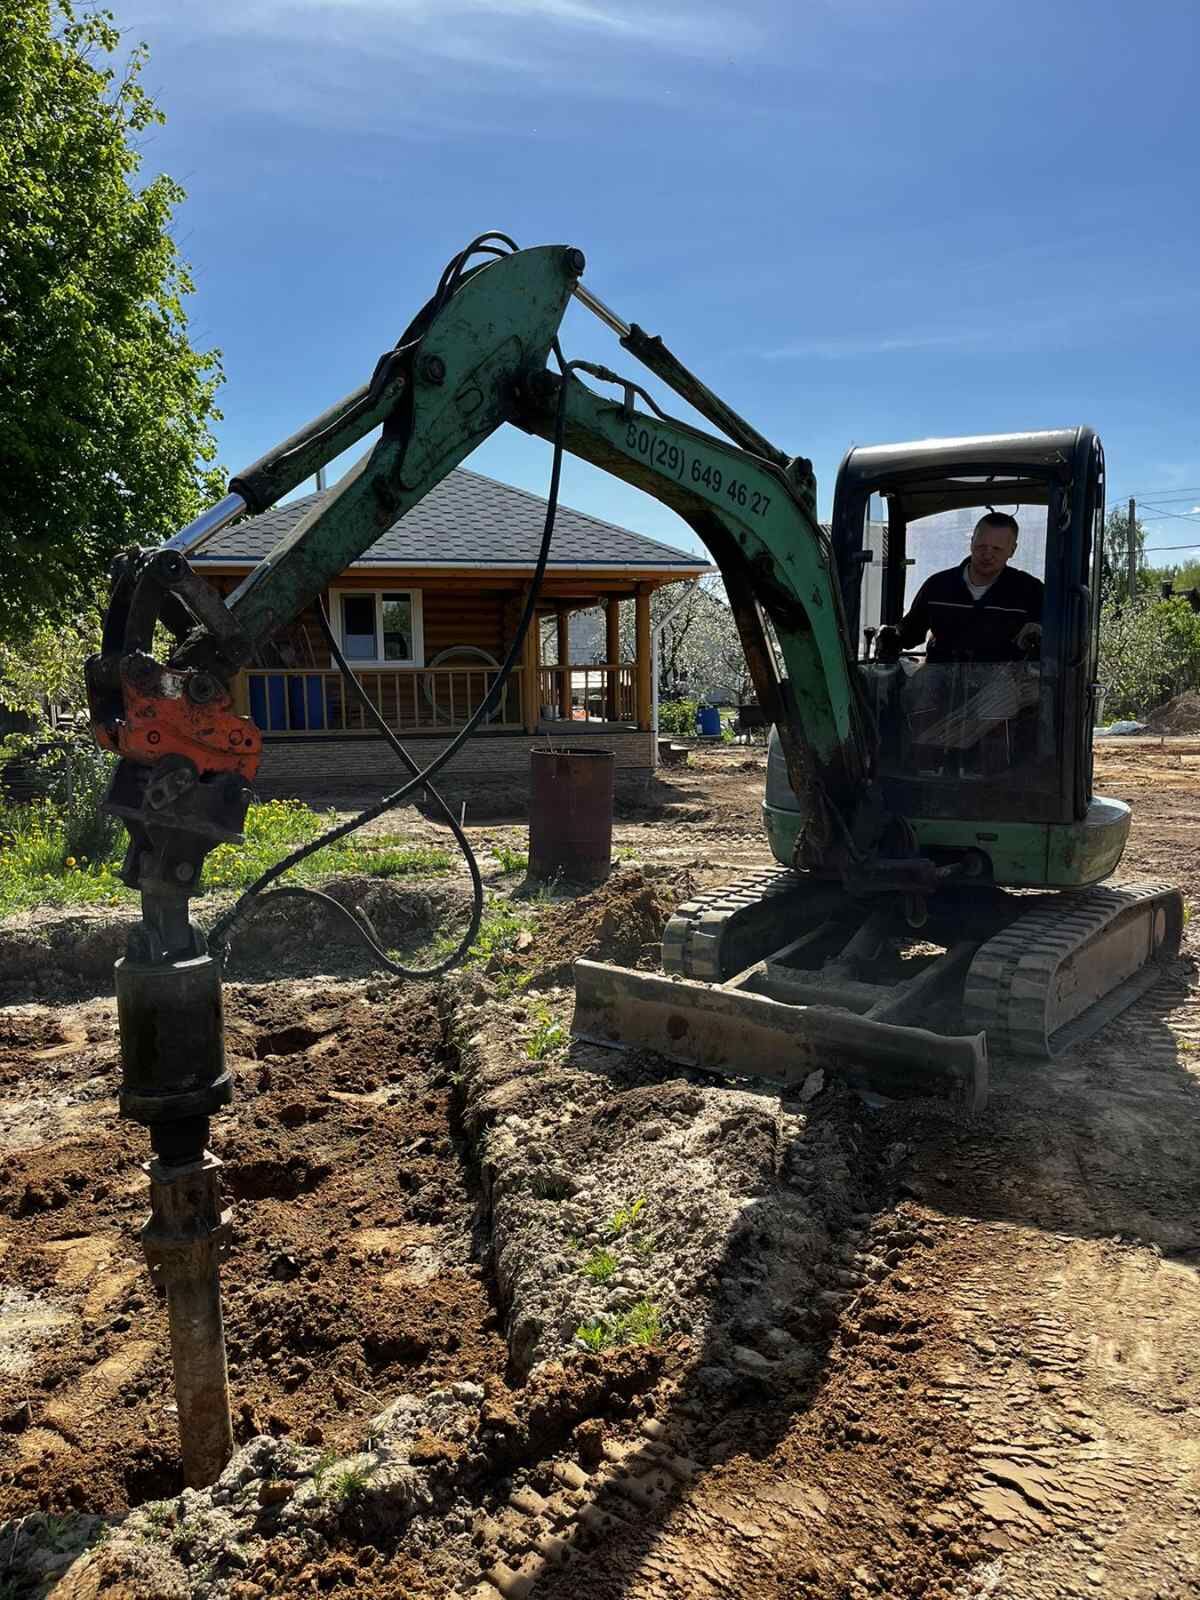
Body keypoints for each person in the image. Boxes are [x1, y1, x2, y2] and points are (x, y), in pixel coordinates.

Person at [876, 512, 1044, 662]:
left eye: (997, 549)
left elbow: (1056, 640)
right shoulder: (938, 587)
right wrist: (892, 635)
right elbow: (910, 632)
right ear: (971, 543)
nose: (987, 555)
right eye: (981, 546)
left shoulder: (1031, 591)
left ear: (1012, 550)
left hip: (1005, 692)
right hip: (939, 688)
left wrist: (1039, 634)